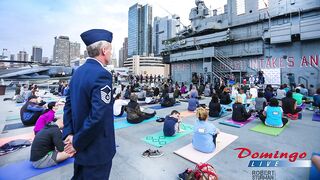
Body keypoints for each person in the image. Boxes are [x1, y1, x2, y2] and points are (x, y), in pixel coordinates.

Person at [63, 29, 116, 179]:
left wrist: (69, 134)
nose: (111, 53)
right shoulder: (102, 74)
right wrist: (76, 143)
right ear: (104, 50)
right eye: (110, 50)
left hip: (79, 148)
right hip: (96, 150)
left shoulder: (77, 72)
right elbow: (98, 116)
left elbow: (68, 105)